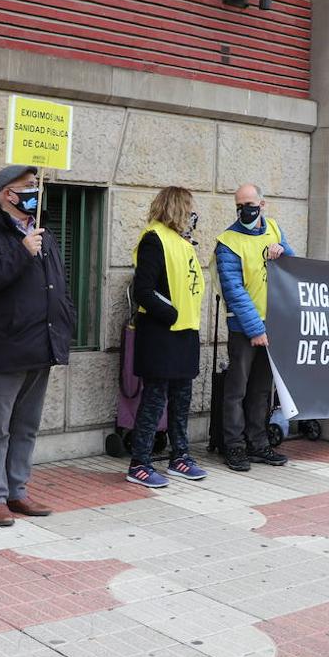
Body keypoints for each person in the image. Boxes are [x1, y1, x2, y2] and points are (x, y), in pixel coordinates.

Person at [0, 165, 75, 526]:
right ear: (7, 195)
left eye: (35, 186)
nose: (35, 192)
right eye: (28, 187)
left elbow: (57, 284)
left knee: (27, 425)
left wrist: (65, 321)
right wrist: (21, 251)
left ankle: (17, 491)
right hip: (7, 346)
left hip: (42, 343)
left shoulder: (44, 232)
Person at [126, 187, 208, 487]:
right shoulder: (153, 239)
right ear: (176, 208)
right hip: (162, 335)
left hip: (184, 334)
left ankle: (180, 456)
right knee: (154, 400)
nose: (192, 215)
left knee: (181, 399)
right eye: (189, 208)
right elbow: (143, 291)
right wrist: (172, 314)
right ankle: (140, 463)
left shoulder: (182, 242)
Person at [215, 183, 295, 471]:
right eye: (239, 205)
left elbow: (294, 267)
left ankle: (258, 444)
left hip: (272, 325)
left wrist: (282, 250)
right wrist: (254, 329)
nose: (244, 210)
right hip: (244, 329)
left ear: (263, 204)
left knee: (262, 390)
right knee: (236, 390)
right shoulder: (227, 241)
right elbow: (234, 290)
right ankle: (234, 447)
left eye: (249, 204)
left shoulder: (274, 229)